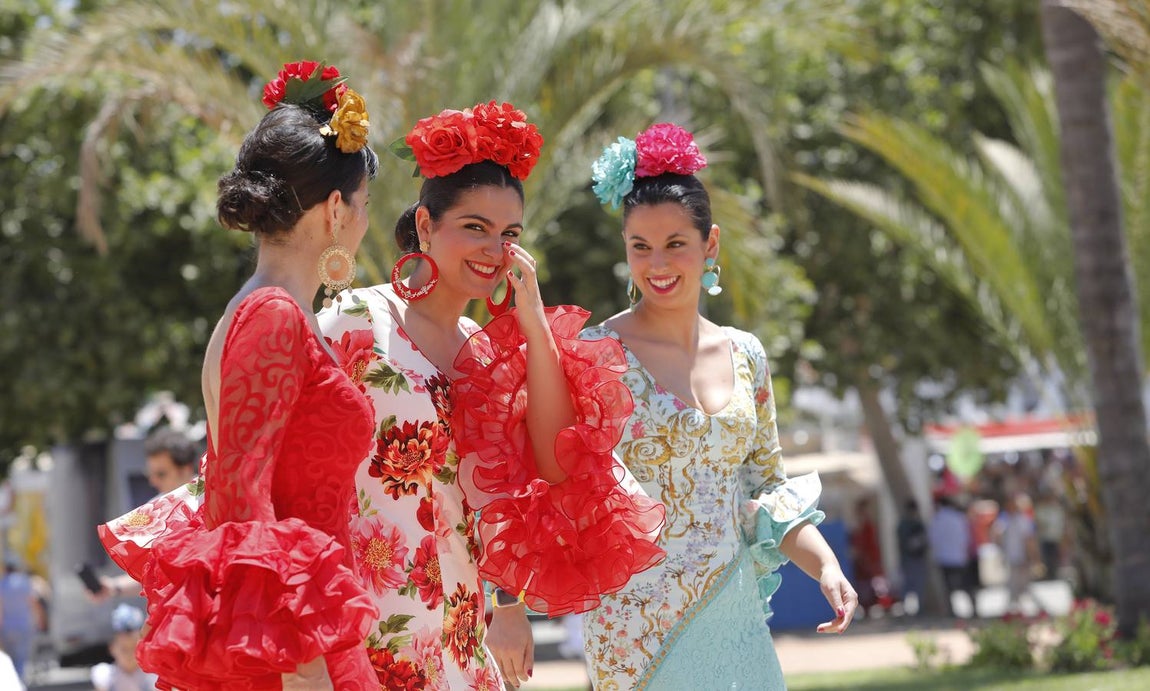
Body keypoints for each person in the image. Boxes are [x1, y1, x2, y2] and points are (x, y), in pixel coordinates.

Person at [318, 102, 665, 689]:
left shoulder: (487, 351)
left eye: (508, 235)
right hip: (366, 618)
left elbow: (550, 467)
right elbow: (298, 466)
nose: (491, 249)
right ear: (426, 227)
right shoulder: (355, 320)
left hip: (461, 628)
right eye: (474, 227)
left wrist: (531, 322)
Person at [99, 60, 382, 689]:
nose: (364, 220)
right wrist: (303, 666)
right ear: (335, 209)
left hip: (302, 630)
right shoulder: (274, 314)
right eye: (363, 204)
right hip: (296, 650)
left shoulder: (268, 308)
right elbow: (240, 495)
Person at [579, 123, 856, 690]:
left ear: (711, 244)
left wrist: (827, 567)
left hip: (732, 609)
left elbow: (767, 491)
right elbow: (560, 480)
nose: (657, 263)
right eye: (641, 246)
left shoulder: (747, 353)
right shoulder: (595, 352)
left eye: (676, 243)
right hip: (633, 626)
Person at [93, 427, 200, 602]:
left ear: (185, 469)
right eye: (150, 473)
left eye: (161, 474)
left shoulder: (211, 501)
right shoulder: (155, 506)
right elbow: (153, 573)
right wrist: (114, 587)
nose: (153, 480)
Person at [90, 604, 159, 691]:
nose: (129, 655)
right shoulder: (104, 676)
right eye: (124, 649)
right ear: (112, 648)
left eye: (134, 648)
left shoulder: (153, 678)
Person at [929, 494, 977, 617]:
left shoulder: (937, 519)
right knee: (966, 585)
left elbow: (933, 539)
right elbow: (966, 538)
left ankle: (951, 611)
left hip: (944, 558)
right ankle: (973, 609)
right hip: (959, 556)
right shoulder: (959, 518)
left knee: (948, 587)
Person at [994, 492, 1040, 614]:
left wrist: (1032, 557)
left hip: (1021, 557)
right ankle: (1015, 609)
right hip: (1013, 557)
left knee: (1022, 584)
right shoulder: (1006, 520)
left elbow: (1029, 541)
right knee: (1014, 584)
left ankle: (1026, 608)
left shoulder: (1023, 520)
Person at [0, 556, 38, 684]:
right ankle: (18, 684)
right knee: (21, 660)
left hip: (7, 627)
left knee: (10, 660)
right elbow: (32, 602)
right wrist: (40, 619)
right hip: (23, 626)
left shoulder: (2, 584)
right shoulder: (24, 582)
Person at [896, 499, 929, 615]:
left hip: (908, 559)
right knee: (916, 586)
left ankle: (908, 610)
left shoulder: (903, 525)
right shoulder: (915, 524)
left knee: (908, 586)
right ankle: (915, 610)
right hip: (913, 559)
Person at [1033, 491, 1066, 579]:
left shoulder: (1057, 510)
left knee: (1055, 556)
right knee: (1046, 557)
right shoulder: (1041, 509)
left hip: (1055, 537)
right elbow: (1038, 523)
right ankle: (1048, 573)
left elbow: (1061, 524)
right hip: (1045, 537)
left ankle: (1054, 573)